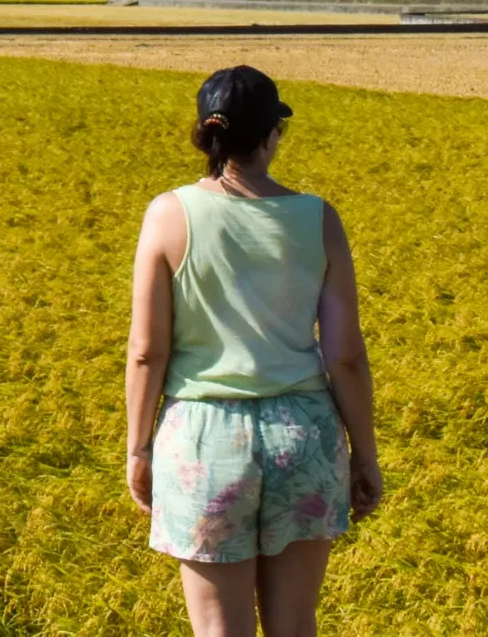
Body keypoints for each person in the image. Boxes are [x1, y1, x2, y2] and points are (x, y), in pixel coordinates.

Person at [125, 66, 383, 636]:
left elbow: (147, 352)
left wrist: (138, 447)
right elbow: (345, 356)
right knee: (294, 626)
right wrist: (364, 455)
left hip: (204, 439)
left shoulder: (167, 214)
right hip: (304, 434)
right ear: (272, 136)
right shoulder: (318, 218)